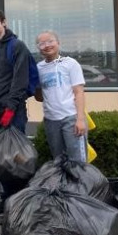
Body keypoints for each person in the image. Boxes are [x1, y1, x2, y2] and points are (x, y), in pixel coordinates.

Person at [35, 31, 88, 162]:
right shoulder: (38, 68)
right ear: (38, 48)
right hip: (51, 120)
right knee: (58, 161)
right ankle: (63, 183)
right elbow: (39, 97)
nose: (47, 45)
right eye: (42, 43)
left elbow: (79, 92)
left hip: (71, 118)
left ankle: (81, 183)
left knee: (78, 161)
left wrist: (80, 119)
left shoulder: (71, 63)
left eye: (50, 41)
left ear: (58, 43)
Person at [0, 9, 33, 134]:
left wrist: (10, 108)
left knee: (14, 152)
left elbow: (20, 80)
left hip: (13, 111)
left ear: (4, 22)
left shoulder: (17, 46)